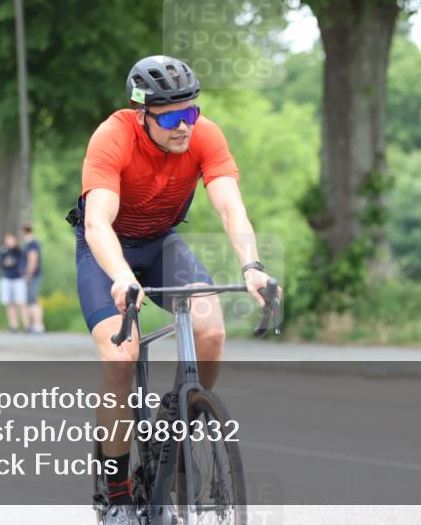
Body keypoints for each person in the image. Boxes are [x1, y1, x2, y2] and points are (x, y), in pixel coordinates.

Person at [68, 55, 280, 524]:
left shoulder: (204, 135)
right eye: (171, 117)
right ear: (142, 113)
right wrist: (122, 275)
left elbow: (230, 208)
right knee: (120, 357)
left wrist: (252, 265)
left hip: (162, 242)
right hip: (107, 248)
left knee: (212, 332)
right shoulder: (113, 136)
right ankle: (117, 495)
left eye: (192, 112)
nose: (185, 125)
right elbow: (98, 222)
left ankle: (178, 416)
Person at [0, 233, 27, 333]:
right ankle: (14, 325)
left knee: (21, 302)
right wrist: (6, 262)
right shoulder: (3, 250)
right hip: (7, 278)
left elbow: (22, 261)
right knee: (9, 303)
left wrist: (13, 261)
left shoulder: (18, 250)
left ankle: (26, 325)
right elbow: (1, 264)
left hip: (18, 278)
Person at [20, 224, 44, 333]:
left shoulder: (32, 244)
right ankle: (34, 325)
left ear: (24, 232)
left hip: (33, 276)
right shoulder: (32, 244)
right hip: (33, 276)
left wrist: (29, 273)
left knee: (33, 300)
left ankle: (38, 325)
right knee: (30, 301)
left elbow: (33, 258)